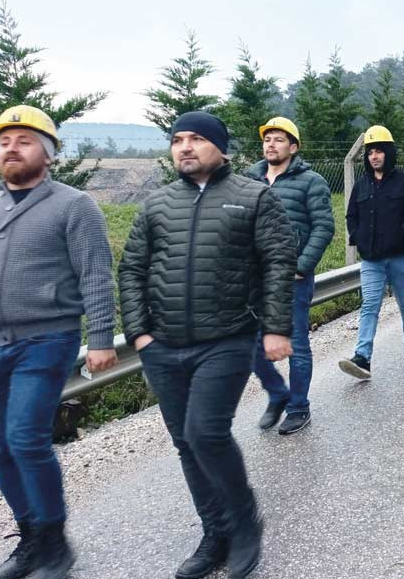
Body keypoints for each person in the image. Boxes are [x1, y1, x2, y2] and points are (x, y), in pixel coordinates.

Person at [118, 111, 295, 579]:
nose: (185, 147)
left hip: (228, 338)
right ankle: (214, 533)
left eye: (197, 138)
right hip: (164, 346)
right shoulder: (157, 205)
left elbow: (279, 261)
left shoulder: (253, 196)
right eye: (178, 140)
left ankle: (244, 526)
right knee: (184, 442)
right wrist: (140, 333)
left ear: (221, 148)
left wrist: (276, 328)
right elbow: (132, 269)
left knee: (204, 433)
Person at [0, 106, 116, 579]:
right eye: (5, 139)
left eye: (25, 140)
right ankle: (31, 537)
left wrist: (102, 338)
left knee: (26, 440)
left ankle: (54, 542)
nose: (12, 147)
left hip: (46, 339)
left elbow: (95, 272)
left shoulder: (73, 205)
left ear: (48, 153)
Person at [247, 117, 334, 437]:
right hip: (255, 278)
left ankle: (298, 406)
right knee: (251, 343)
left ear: (293, 147)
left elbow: (324, 227)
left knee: (296, 343)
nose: (271, 144)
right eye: (267, 138)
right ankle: (277, 393)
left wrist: (301, 265)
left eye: (279, 139)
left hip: (292, 278)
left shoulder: (311, 181)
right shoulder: (250, 179)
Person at [340, 125, 404, 379]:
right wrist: (358, 237)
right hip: (371, 260)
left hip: (400, 256)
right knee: (369, 305)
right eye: (370, 153)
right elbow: (351, 216)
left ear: (388, 153)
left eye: (379, 151)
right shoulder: (361, 185)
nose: (374, 156)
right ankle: (363, 357)